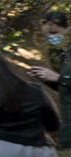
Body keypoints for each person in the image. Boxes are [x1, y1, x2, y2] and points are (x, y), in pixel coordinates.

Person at [28, 10, 70, 148]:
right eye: (49, 34)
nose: (52, 37)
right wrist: (47, 79)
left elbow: (64, 80)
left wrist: (59, 77)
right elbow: (64, 88)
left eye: (56, 33)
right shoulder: (58, 53)